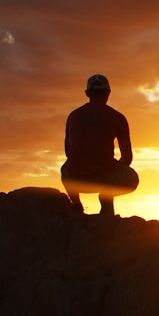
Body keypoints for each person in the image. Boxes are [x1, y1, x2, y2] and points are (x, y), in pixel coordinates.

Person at [61, 74, 138, 216]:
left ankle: (77, 204)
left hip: (75, 179)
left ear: (87, 94)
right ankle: (106, 198)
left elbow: (68, 152)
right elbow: (127, 157)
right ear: (108, 93)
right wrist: (113, 166)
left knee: (65, 168)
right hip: (105, 177)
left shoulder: (73, 116)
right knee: (132, 177)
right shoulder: (117, 117)